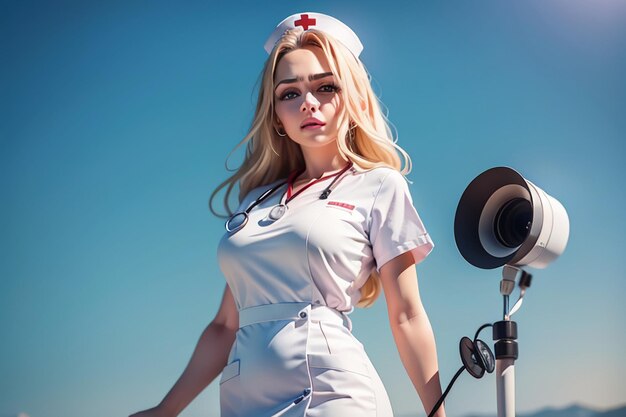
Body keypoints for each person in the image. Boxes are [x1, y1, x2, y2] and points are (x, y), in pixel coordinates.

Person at [130, 12, 447, 417]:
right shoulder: (256, 200)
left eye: (325, 87)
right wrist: (165, 410)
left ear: (352, 96)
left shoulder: (378, 185)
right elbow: (224, 327)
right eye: (289, 93)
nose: (308, 103)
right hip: (244, 401)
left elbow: (406, 315)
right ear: (276, 114)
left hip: (333, 396)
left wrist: (437, 413)